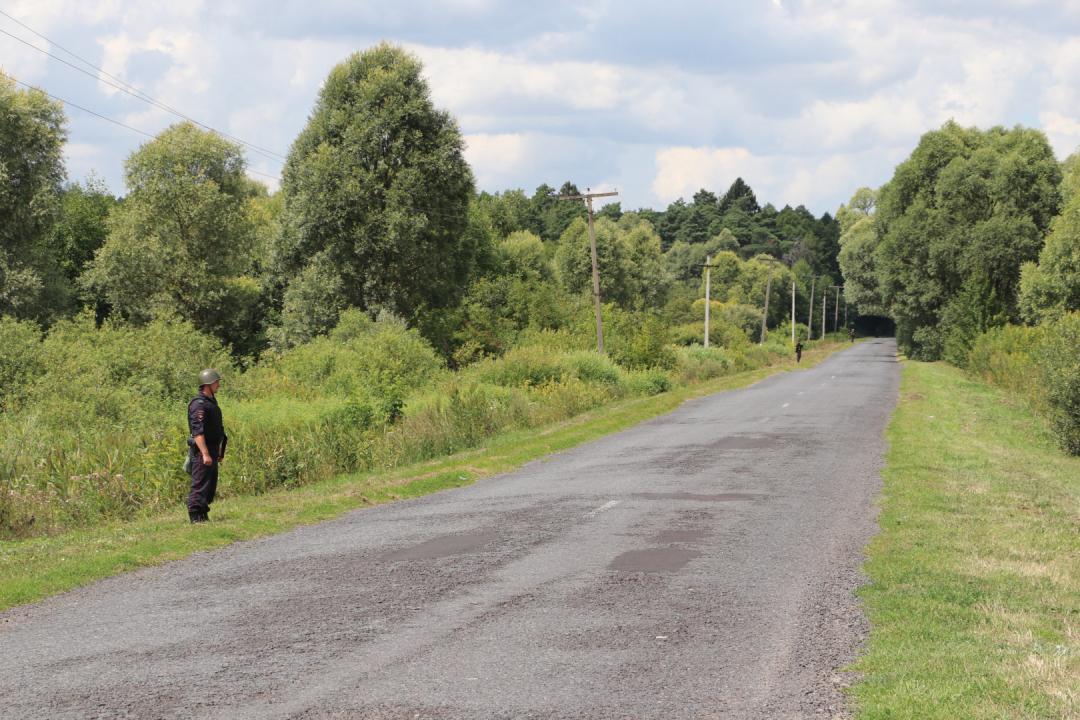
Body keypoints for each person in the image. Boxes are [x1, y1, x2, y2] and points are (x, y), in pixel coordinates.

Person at [187, 369, 227, 523]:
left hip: (211, 448)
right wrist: (204, 453)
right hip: (201, 450)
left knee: (210, 484)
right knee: (200, 483)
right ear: (207, 384)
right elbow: (198, 432)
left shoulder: (210, 402)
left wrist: (216, 449)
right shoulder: (199, 404)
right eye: (216, 382)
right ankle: (195, 516)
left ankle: (203, 513)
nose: (218, 385)